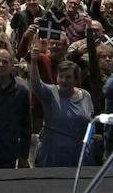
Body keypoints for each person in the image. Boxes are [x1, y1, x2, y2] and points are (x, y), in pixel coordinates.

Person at [28, 39, 95, 167]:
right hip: (52, 154)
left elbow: (91, 123)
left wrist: (88, 143)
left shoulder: (85, 95)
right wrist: (34, 62)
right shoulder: (50, 92)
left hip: (78, 154)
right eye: (61, 76)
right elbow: (36, 85)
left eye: (68, 77)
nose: (64, 80)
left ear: (76, 79)